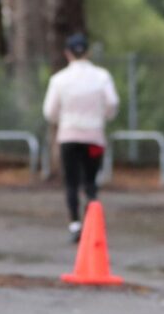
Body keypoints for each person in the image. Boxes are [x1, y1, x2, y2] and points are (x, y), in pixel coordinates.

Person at [43, 33, 119, 242]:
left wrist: (64, 119)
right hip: (94, 136)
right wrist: (102, 117)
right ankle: (92, 220)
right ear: (88, 52)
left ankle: (75, 224)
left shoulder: (59, 79)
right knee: (91, 181)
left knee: (71, 181)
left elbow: (50, 111)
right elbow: (112, 103)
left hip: (68, 135)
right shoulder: (102, 76)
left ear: (67, 53)